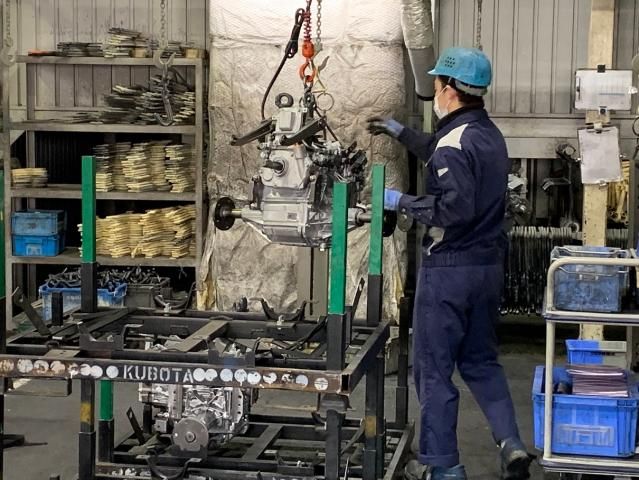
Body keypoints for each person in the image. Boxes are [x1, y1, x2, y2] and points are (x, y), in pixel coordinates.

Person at [367, 47, 533, 480]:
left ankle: (443, 466)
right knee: (480, 361)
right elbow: (443, 151)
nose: (435, 90)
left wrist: (400, 201)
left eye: (437, 83)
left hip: (450, 272)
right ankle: (511, 444)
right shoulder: (487, 134)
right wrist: (401, 133)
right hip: (487, 267)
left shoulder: (454, 144)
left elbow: (453, 208)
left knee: (433, 370)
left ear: (449, 90)